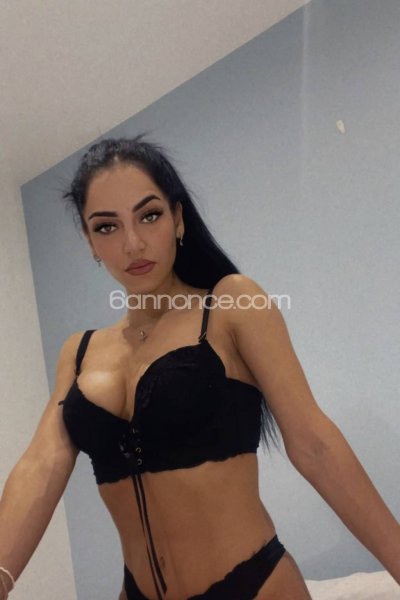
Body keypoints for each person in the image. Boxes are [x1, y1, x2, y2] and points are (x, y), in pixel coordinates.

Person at [0, 135, 399, 600]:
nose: (132, 243)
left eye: (150, 215)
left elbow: (314, 445)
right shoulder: (79, 352)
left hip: (254, 587)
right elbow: (42, 464)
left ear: (178, 219)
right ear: (90, 242)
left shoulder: (232, 304)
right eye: (107, 226)